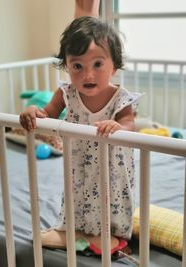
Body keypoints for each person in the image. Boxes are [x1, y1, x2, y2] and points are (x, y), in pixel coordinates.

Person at [19, 16, 140, 239]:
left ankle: (114, 233)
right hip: (79, 160)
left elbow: (129, 123)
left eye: (98, 64)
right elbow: (47, 115)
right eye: (77, 66)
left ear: (114, 65)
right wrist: (33, 112)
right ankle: (79, 230)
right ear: (66, 65)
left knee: (112, 196)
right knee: (78, 194)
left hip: (113, 163)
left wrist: (118, 126)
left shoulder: (120, 98)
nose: (88, 75)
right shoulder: (67, 93)